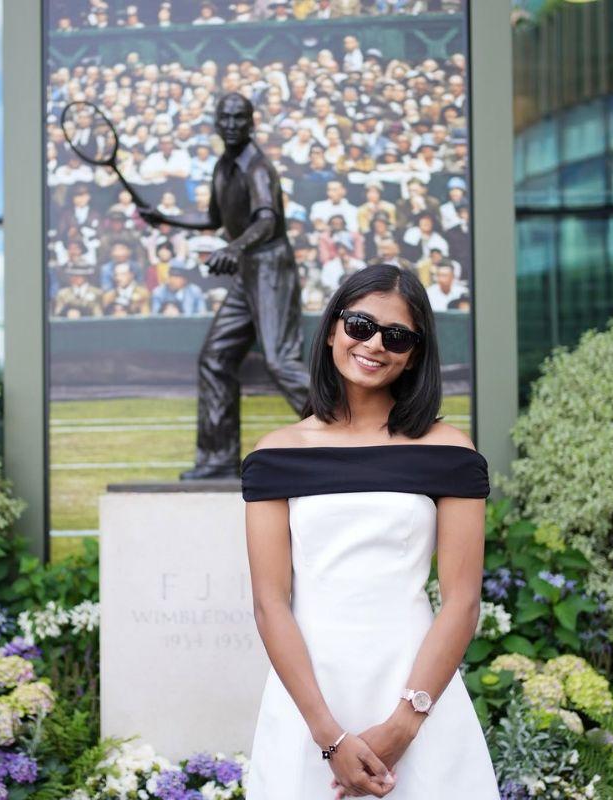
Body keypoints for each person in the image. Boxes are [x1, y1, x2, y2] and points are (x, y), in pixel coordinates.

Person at [239, 263, 498, 798]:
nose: (375, 344)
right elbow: (270, 604)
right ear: (334, 327)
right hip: (309, 701)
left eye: (396, 335)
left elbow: (462, 602)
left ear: (414, 354)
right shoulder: (276, 455)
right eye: (360, 325)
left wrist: (404, 725)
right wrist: (329, 737)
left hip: (418, 690)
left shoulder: (450, 452)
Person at [138, 92, 310, 479]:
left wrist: (234, 248)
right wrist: (165, 218)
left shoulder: (258, 169)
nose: (231, 125)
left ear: (251, 123)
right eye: (225, 118)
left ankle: (351, 431)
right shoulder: (223, 166)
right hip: (248, 269)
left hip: (270, 268)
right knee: (215, 358)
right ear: (216, 123)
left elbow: (267, 221)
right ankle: (218, 459)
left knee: (280, 360)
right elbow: (214, 219)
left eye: (239, 118)